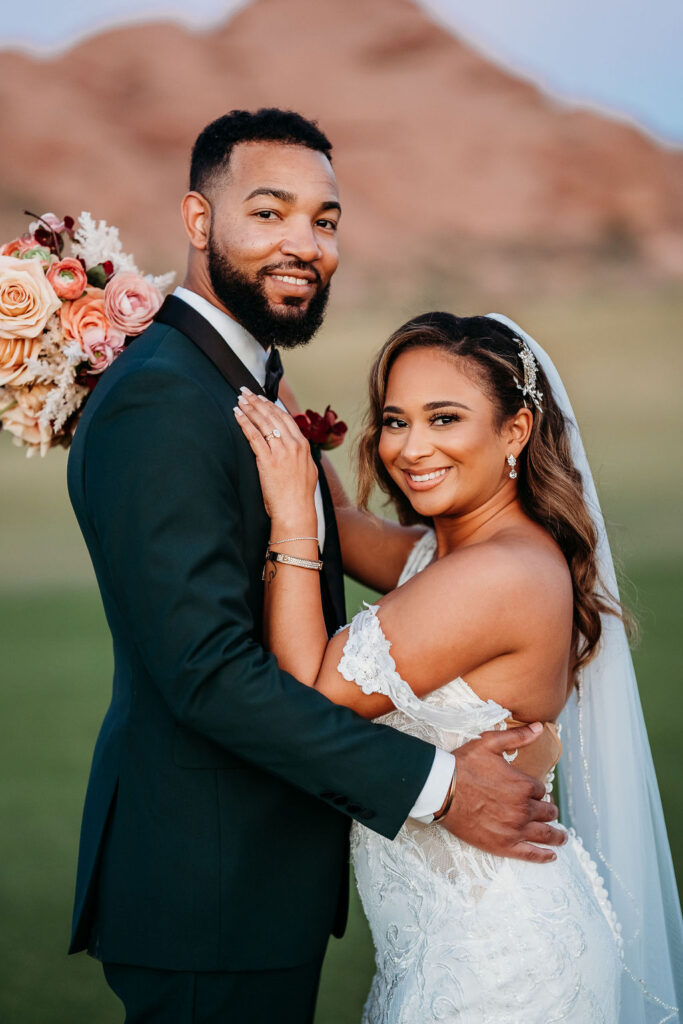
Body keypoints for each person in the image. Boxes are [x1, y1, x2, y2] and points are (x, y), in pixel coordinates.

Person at [66, 109, 565, 1023]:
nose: (303, 243)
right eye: (269, 213)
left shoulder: (227, 385)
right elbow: (206, 672)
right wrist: (441, 787)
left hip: (246, 890)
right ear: (196, 219)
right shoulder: (166, 406)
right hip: (204, 891)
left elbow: (349, 535)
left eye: (324, 221)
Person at [235, 311, 683, 1023]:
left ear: (514, 430)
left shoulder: (499, 574)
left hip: (498, 964)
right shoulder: (444, 555)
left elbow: (307, 700)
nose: (410, 449)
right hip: (444, 945)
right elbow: (345, 522)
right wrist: (246, 367)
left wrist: (289, 518)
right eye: (395, 420)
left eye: (444, 419)